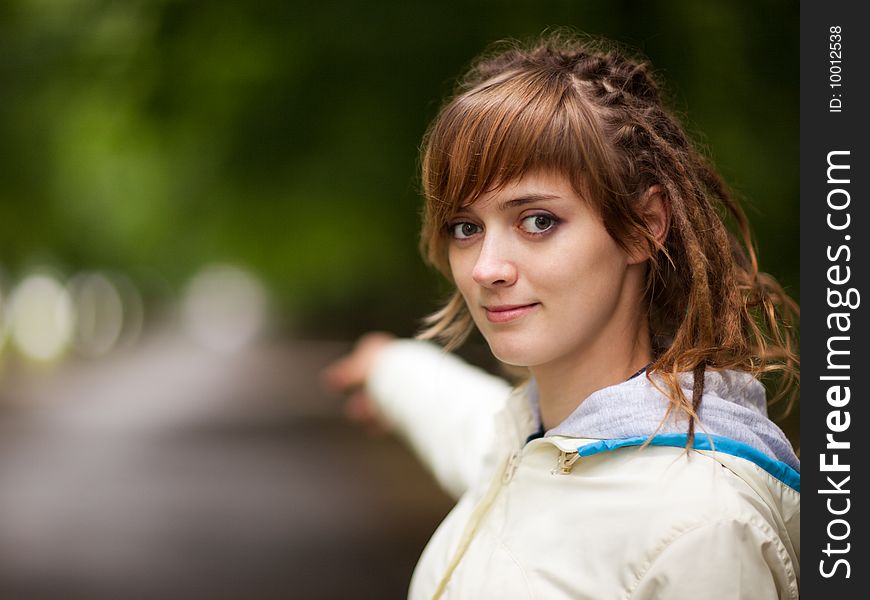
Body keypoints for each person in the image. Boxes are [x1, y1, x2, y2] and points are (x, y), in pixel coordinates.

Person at [323, 32, 799, 599]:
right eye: (466, 228)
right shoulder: (536, 443)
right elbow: (468, 425)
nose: (486, 269)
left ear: (644, 225)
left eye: (538, 221)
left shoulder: (705, 527)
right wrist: (390, 368)